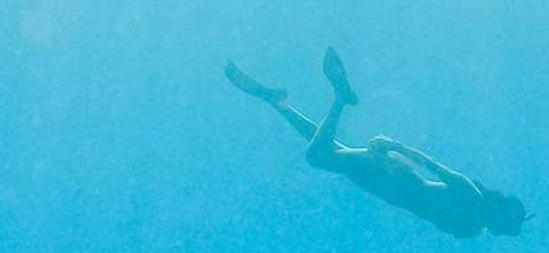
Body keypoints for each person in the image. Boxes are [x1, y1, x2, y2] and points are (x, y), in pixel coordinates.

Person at [225, 48, 528, 238]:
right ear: (499, 210)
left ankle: (276, 101)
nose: (504, 233)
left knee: (329, 150)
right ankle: (340, 98)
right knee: (318, 156)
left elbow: (446, 217)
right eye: (507, 226)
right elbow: (431, 165)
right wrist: (392, 146)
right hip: (397, 178)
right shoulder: (470, 195)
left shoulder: (470, 229)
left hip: (390, 188)